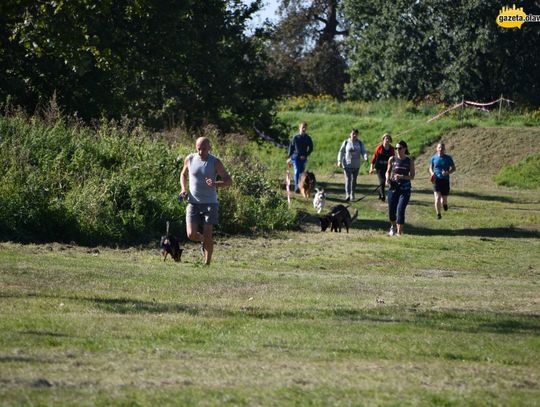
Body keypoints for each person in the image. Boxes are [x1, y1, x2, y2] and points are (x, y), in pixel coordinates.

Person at [180, 137, 232, 265]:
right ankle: (204, 240)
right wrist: (183, 189)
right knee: (191, 234)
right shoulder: (190, 159)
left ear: (209, 148)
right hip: (193, 202)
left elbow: (228, 181)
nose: (201, 152)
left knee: (208, 234)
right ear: (195, 147)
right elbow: (183, 174)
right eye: (198, 149)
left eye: (204, 149)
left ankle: (207, 263)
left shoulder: (215, 162)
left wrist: (215, 184)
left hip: (210, 203)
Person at [386, 140, 415, 236]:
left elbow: (412, 176)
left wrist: (401, 177)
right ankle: (393, 226)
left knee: (400, 210)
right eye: (396, 148)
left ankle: (399, 233)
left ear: (405, 149)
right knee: (391, 211)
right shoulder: (392, 159)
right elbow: (388, 171)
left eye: (399, 148)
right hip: (393, 188)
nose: (397, 150)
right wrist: (387, 179)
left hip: (405, 189)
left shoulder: (409, 161)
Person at [337, 128, 368, 201]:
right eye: (353, 133)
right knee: (348, 179)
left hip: (356, 165)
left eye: (356, 134)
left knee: (354, 180)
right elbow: (341, 152)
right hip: (347, 164)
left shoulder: (360, 143)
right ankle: (347, 194)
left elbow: (363, 151)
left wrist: (365, 157)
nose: (354, 135)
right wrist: (339, 161)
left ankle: (352, 193)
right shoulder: (346, 142)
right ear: (350, 134)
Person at [429, 143, 456, 219]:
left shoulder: (448, 158)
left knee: (443, 199)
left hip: (445, 180)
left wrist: (447, 172)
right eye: (439, 148)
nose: (441, 149)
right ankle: (438, 214)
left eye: (442, 148)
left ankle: (444, 204)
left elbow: (454, 168)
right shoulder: (433, 158)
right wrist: (432, 173)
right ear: (436, 148)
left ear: (444, 149)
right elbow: (430, 168)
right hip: (436, 180)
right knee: (437, 198)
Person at [287, 122, 314, 193]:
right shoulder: (295, 138)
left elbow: (311, 148)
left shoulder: (308, 138)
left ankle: (301, 186)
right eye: (302, 127)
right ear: (299, 128)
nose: (304, 129)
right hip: (295, 157)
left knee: (301, 173)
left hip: (303, 158)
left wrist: (306, 155)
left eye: (305, 127)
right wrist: (289, 157)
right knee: (296, 172)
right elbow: (291, 148)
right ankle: (297, 187)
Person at [369, 133, 395, 202]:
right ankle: (383, 196)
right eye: (386, 138)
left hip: (387, 167)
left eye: (388, 138)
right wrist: (371, 168)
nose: (387, 140)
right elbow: (374, 159)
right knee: (382, 181)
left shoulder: (392, 149)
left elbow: (393, 159)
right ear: (383, 140)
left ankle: (380, 193)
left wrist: (394, 167)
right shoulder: (379, 148)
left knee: (386, 180)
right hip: (379, 167)